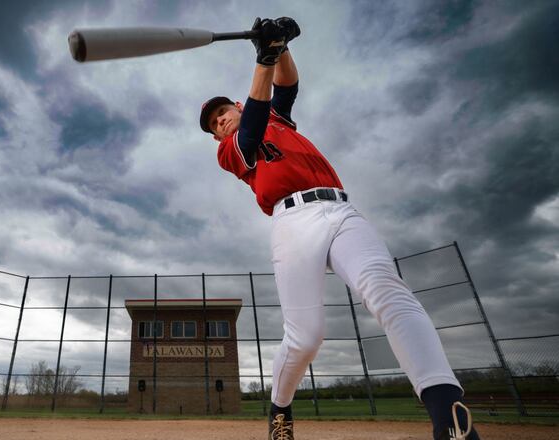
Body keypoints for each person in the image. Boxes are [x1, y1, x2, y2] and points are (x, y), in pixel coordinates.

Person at [199, 17, 480, 440]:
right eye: (212, 123)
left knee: (387, 289)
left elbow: (287, 86)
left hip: (341, 210)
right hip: (292, 222)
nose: (219, 121)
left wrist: (282, 47)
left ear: (236, 104)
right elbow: (253, 123)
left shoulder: (276, 116)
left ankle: (447, 413)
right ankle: (280, 406)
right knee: (307, 338)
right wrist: (265, 57)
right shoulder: (230, 151)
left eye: (222, 112)